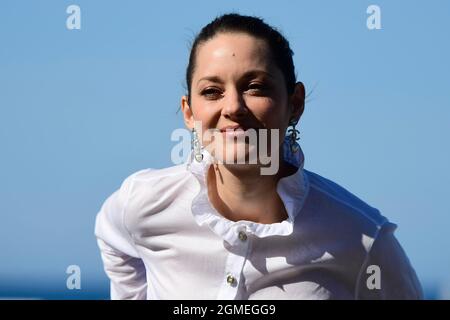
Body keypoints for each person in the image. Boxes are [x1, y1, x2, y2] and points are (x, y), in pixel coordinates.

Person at [94, 13, 423, 300]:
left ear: (294, 104)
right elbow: (114, 236)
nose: (233, 107)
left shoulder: (363, 238)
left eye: (255, 86)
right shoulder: (143, 202)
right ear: (189, 113)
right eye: (212, 91)